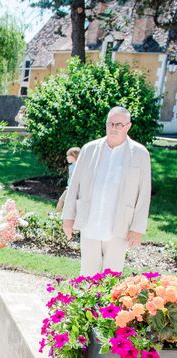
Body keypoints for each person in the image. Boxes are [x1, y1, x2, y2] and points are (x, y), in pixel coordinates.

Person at [62, 106, 152, 275]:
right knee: (87, 275)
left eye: (119, 124)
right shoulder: (89, 149)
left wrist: (137, 228)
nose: (113, 128)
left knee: (111, 277)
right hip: (90, 221)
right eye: (110, 123)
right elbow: (74, 185)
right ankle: (86, 302)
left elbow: (144, 194)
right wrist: (68, 218)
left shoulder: (140, 154)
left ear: (128, 126)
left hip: (120, 225)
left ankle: (107, 303)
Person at [55, 146, 80, 212]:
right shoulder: (71, 166)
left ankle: (58, 216)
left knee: (65, 202)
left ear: (74, 156)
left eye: (68, 156)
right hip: (69, 188)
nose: (67, 157)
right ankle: (56, 215)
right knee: (61, 200)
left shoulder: (79, 167)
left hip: (75, 189)